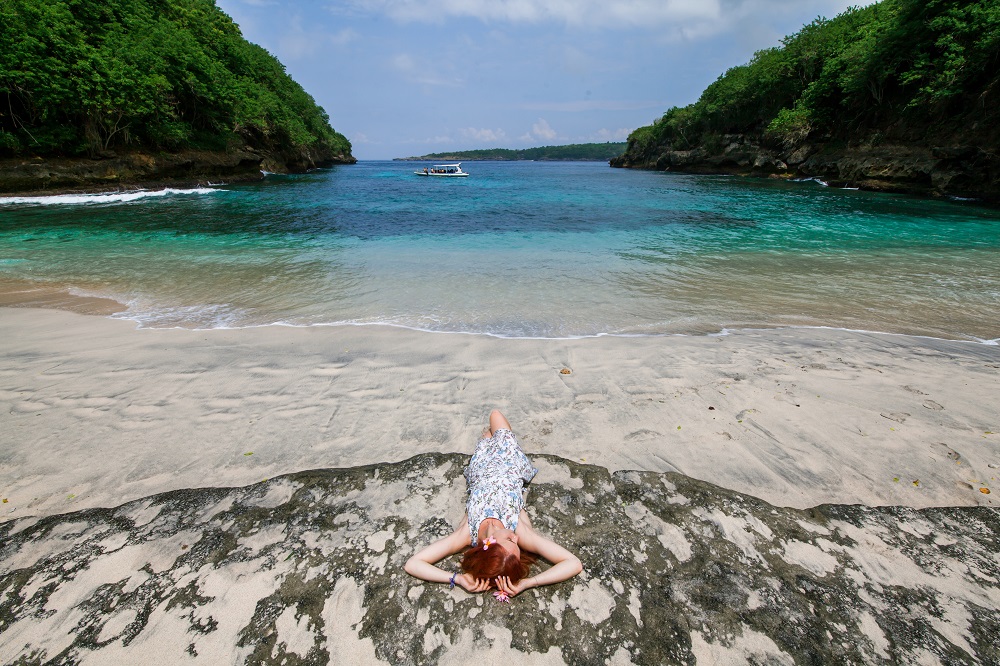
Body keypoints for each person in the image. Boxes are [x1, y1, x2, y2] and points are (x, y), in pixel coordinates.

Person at [404, 410, 582, 600]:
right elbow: (573, 563)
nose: (515, 538)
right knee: (495, 418)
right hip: (509, 461)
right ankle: (493, 438)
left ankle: (489, 439)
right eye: (516, 545)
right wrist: (528, 582)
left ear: (491, 544)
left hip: (481, 467)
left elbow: (413, 564)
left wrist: (457, 579)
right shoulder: (520, 532)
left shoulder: (466, 533)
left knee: (491, 425)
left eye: (510, 541)